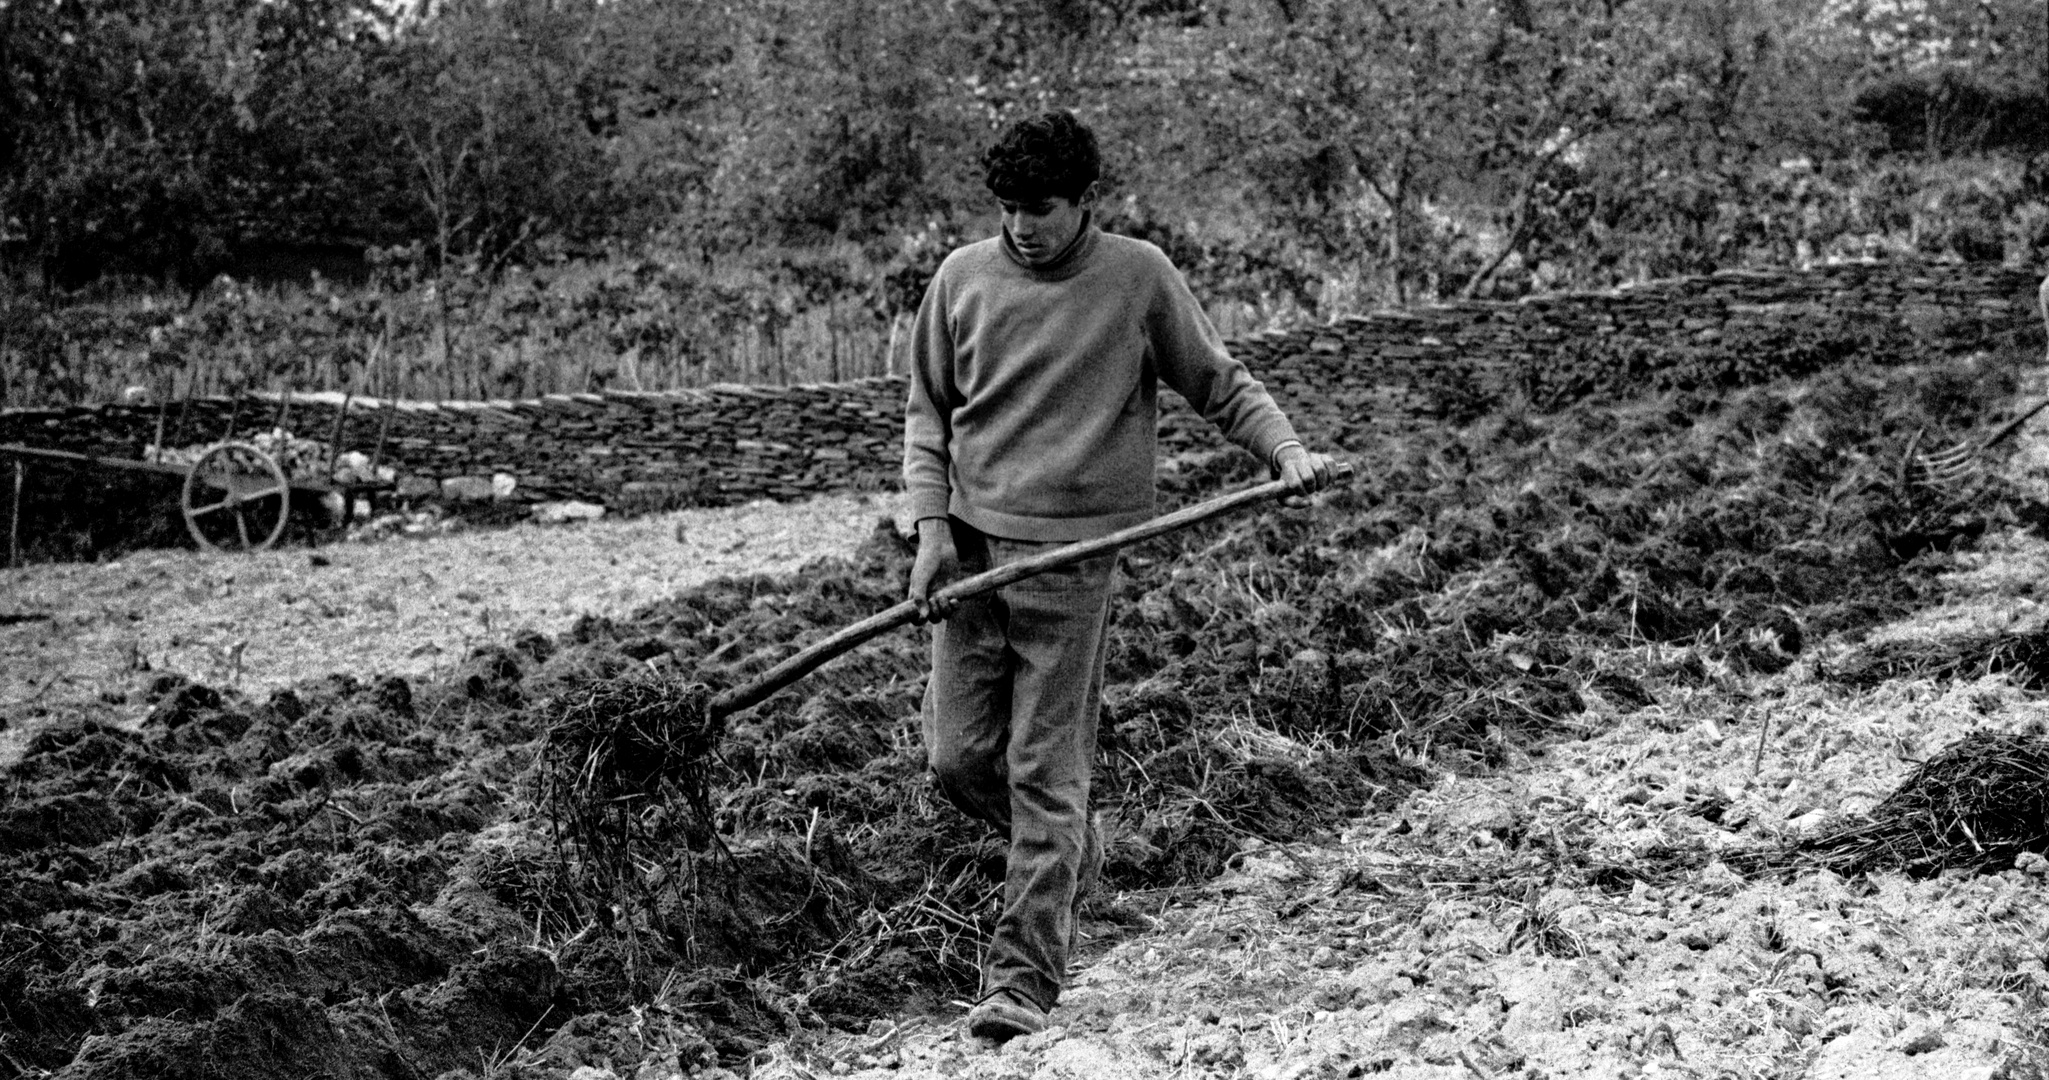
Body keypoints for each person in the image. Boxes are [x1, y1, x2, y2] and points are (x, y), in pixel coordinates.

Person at [902, 109, 1338, 1042]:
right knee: (956, 758)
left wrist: (1284, 448)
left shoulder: (1138, 278)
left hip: (1070, 562)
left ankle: (1021, 982)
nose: (1023, 227)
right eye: (1009, 209)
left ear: (1085, 200)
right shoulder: (960, 280)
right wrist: (930, 527)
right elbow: (927, 414)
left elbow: (1217, 382)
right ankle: (1064, 851)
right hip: (972, 555)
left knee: (1041, 769)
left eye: (1042, 208)